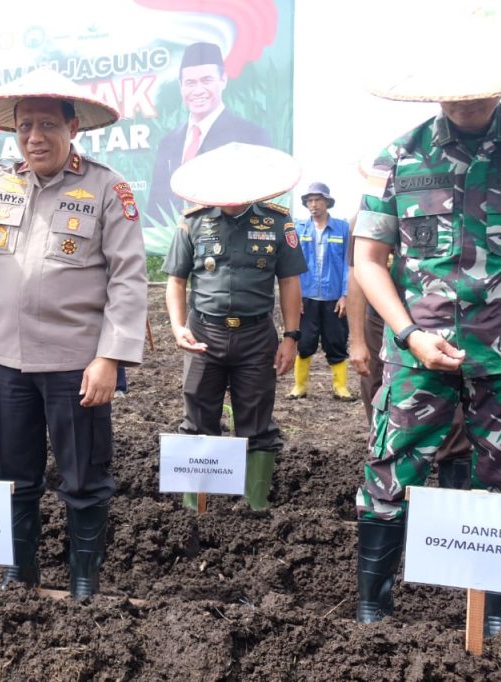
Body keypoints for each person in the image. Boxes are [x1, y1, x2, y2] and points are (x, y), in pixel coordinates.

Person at [0, 69, 148, 598]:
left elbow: (128, 278)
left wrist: (110, 358)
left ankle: (84, 582)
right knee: (10, 475)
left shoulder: (107, 188)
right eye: (24, 127)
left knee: (84, 479)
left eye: (46, 125)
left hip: (76, 364)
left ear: (72, 128)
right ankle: (19, 573)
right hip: (7, 364)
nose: (34, 137)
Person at [352, 28, 501, 636]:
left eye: (479, 91)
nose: (467, 102)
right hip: (419, 352)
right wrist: (407, 336)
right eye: (455, 92)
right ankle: (372, 611)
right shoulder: (400, 157)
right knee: (389, 473)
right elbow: (369, 260)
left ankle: (493, 620)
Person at [163, 143, 306, 512]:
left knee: (257, 420)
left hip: (257, 337)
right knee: (198, 417)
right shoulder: (193, 222)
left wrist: (291, 337)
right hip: (203, 335)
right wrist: (177, 327)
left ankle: (255, 507)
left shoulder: (277, 222)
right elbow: (176, 280)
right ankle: (196, 509)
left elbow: (289, 282)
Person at [346, 226, 471, 489]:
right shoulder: (367, 218)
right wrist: (357, 340)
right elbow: (358, 274)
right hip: (382, 320)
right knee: (381, 393)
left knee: (453, 409)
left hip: (437, 321)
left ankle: (453, 481)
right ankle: (387, 464)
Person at [147, 41, 271, 225]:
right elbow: (155, 211)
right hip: (175, 240)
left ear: (223, 80)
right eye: (190, 82)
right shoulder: (168, 142)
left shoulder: (251, 136)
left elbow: (260, 204)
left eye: (206, 80)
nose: (198, 91)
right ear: (181, 86)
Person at [287, 182, 353, 400]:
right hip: (306, 298)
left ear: (327, 202)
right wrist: (295, 297)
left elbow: (348, 264)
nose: (313, 205)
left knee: (336, 341)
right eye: (309, 201)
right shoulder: (299, 229)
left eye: (317, 200)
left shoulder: (342, 228)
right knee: (304, 342)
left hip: (334, 298)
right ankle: (300, 386)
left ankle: (340, 388)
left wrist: (345, 295)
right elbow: (293, 266)